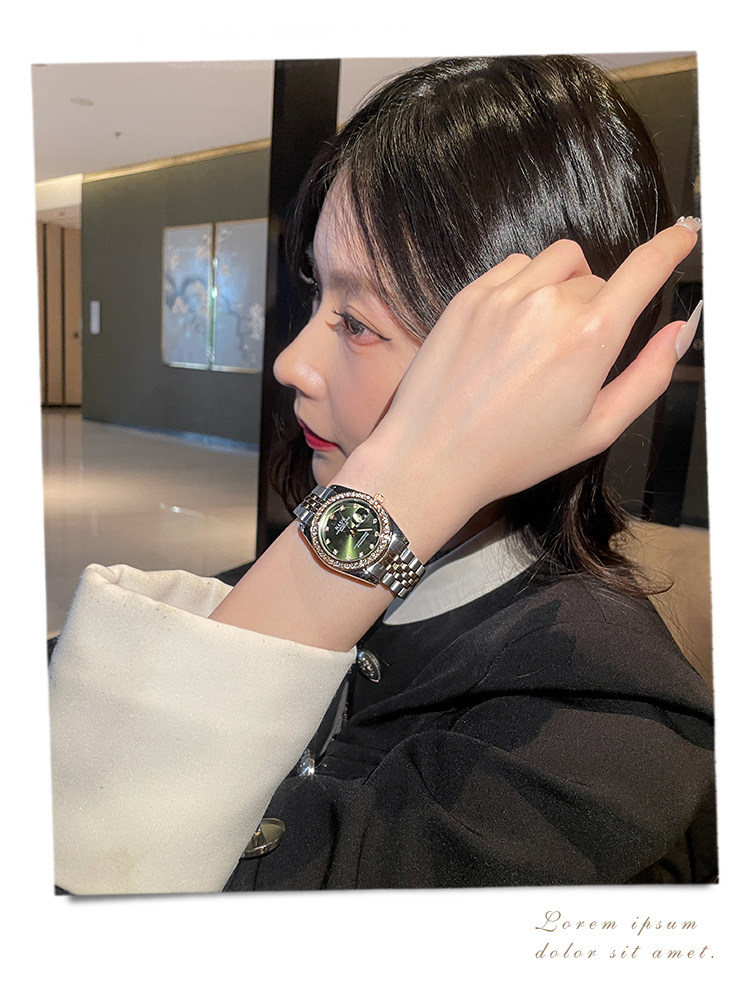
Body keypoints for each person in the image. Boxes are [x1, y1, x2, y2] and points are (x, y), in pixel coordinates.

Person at [48, 55, 715, 895]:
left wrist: (394, 499)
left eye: (357, 321)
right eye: (315, 296)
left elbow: (94, 862)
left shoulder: (597, 727)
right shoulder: (280, 569)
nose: (291, 362)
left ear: (545, 363)